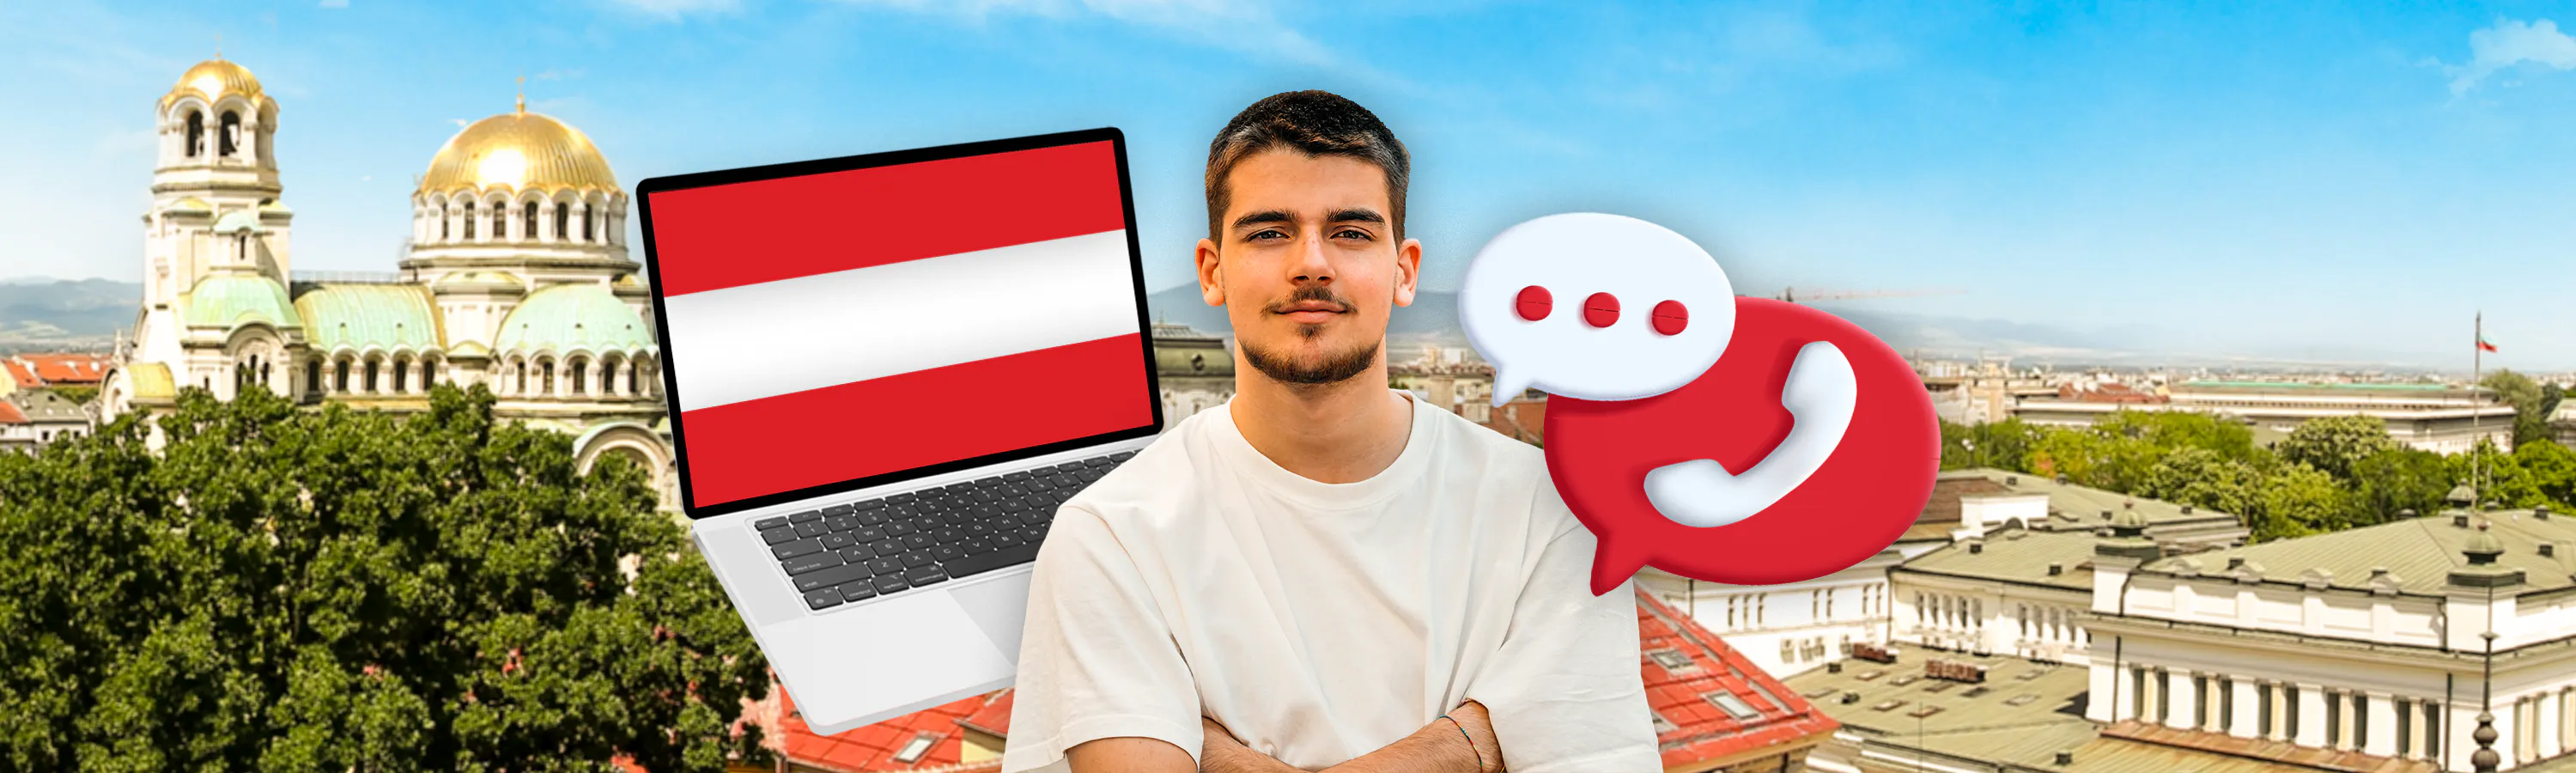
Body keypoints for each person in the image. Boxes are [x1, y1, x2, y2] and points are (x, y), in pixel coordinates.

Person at [1001, 90, 1655, 773]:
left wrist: (1212, 751)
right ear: (1211, 271)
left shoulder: (1548, 510)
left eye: (1350, 232)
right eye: (1268, 232)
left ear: (1404, 271)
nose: (1311, 263)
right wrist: (1476, 738)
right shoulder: (1111, 534)